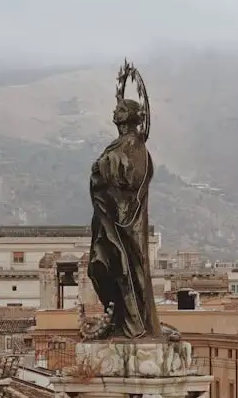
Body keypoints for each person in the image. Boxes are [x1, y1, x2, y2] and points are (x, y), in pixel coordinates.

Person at [87, 98, 160, 338]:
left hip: (124, 220)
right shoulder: (119, 145)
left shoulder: (135, 145)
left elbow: (131, 178)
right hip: (108, 217)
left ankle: (132, 323)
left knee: (121, 268)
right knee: (99, 267)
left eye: (119, 109)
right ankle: (119, 318)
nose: (114, 112)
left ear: (129, 116)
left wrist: (103, 165)